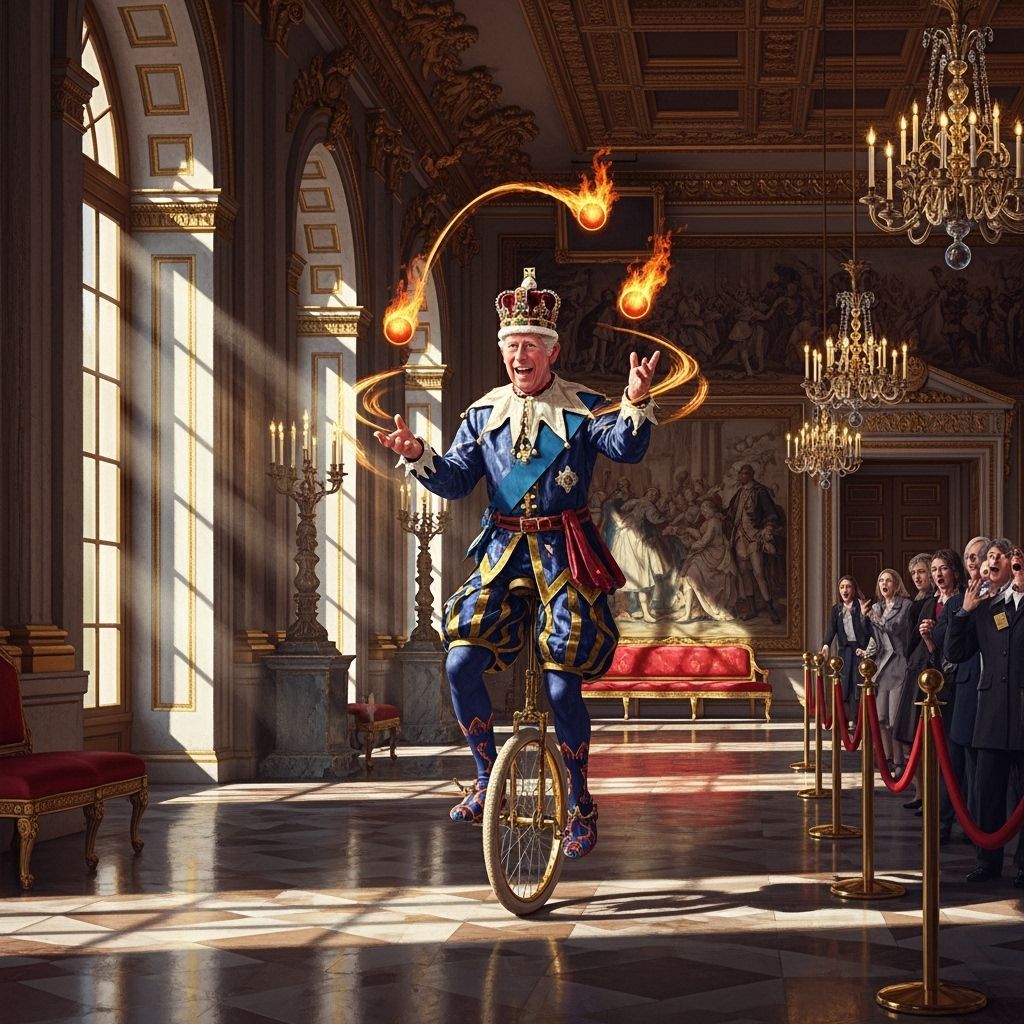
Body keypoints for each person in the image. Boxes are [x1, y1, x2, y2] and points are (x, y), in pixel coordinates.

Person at [375, 268, 660, 859]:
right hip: (502, 553)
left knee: (561, 688)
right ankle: (486, 778)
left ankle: (580, 803)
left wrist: (634, 399)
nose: (519, 356)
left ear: (552, 350)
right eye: (511, 346)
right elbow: (457, 480)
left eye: (530, 345)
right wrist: (419, 453)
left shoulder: (583, 409)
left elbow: (625, 447)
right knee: (459, 663)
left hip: (564, 553)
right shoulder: (483, 415)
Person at [944, 538, 1024, 887]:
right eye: (988, 556)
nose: (990, 561)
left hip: (1021, 712)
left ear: (1013, 563)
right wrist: (964, 611)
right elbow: (955, 652)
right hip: (990, 714)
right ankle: (987, 861)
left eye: (998, 556)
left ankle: (1023, 865)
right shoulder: (984, 606)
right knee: (987, 793)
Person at [933, 536, 990, 842]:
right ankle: (944, 822)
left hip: (996, 694)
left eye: (979, 555)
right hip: (964, 691)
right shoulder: (956, 603)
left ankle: (979, 828)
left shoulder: (1001, 598)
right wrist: (964, 612)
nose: (973, 561)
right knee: (956, 764)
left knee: (986, 769)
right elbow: (945, 643)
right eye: (969, 556)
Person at [864, 568, 914, 773]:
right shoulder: (877, 607)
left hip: (899, 664)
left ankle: (900, 762)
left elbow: (897, 629)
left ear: (896, 584)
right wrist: (864, 618)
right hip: (881, 665)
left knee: (894, 720)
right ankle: (887, 758)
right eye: (881, 580)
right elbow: (871, 637)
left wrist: (876, 618)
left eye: (889, 581)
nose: (884, 584)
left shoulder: (906, 605)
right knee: (881, 718)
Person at [725, 464, 784, 623]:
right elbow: (730, 513)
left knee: (759, 573)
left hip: (754, 536)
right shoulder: (739, 493)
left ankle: (771, 609)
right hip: (739, 537)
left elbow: (770, 512)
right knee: (745, 573)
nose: (742, 476)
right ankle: (752, 609)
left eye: (745, 473)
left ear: (751, 474)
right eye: (740, 473)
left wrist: (768, 527)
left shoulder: (760, 492)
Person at [820, 575, 871, 724]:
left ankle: (858, 720)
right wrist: (826, 645)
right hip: (845, 653)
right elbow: (831, 629)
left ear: (854, 589)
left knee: (857, 685)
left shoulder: (861, 606)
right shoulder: (836, 609)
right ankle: (845, 719)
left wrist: (863, 615)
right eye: (842, 587)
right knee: (845, 685)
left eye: (848, 587)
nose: (845, 590)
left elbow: (868, 630)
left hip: (859, 652)